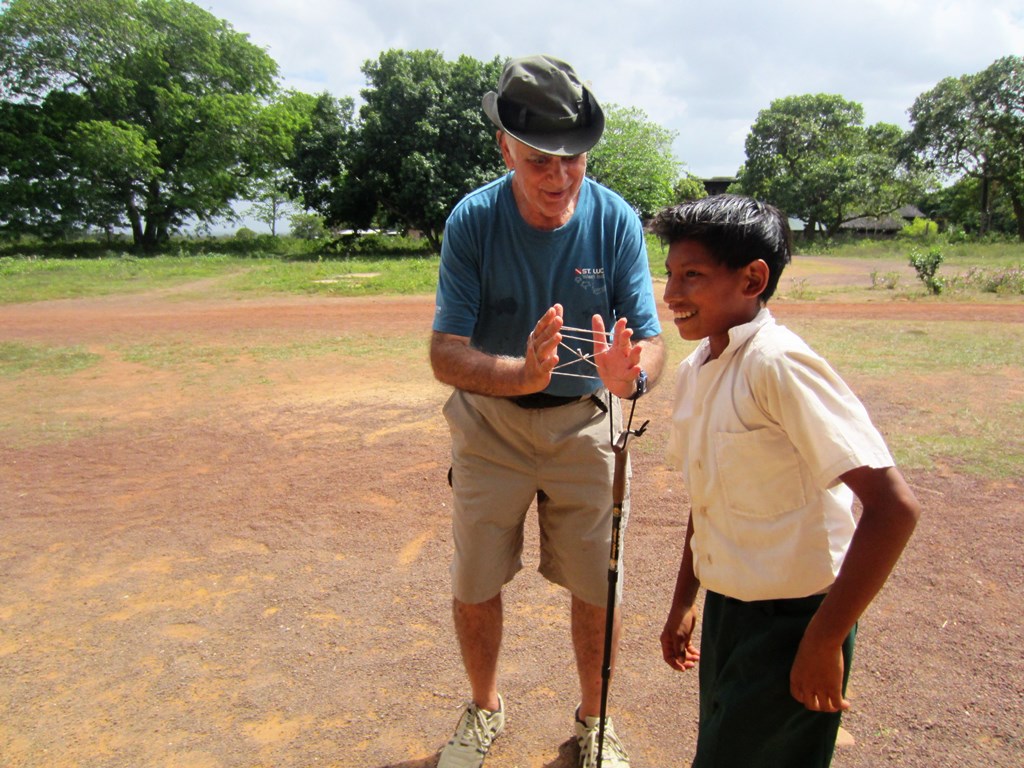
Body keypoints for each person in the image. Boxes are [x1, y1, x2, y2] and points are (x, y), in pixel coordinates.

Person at [430, 54, 666, 768]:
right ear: (505, 147)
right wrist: (519, 371)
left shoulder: (616, 219)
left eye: (574, 160)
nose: (560, 178)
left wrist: (634, 379)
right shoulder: (473, 220)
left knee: (598, 582)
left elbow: (653, 341)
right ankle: (484, 708)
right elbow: (445, 353)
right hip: (488, 428)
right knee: (475, 581)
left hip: (585, 425)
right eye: (539, 161)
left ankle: (595, 722)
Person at [653, 194, 920, 767]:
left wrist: (823, 640)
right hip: (731, 609)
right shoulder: (696, 369)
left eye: (692, 275)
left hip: (795, 621)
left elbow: (894, 508)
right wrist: (684, 600)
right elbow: (708, 497)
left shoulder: (779, 364)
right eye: (670, 273)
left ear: (753, 279)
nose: (671, 294)